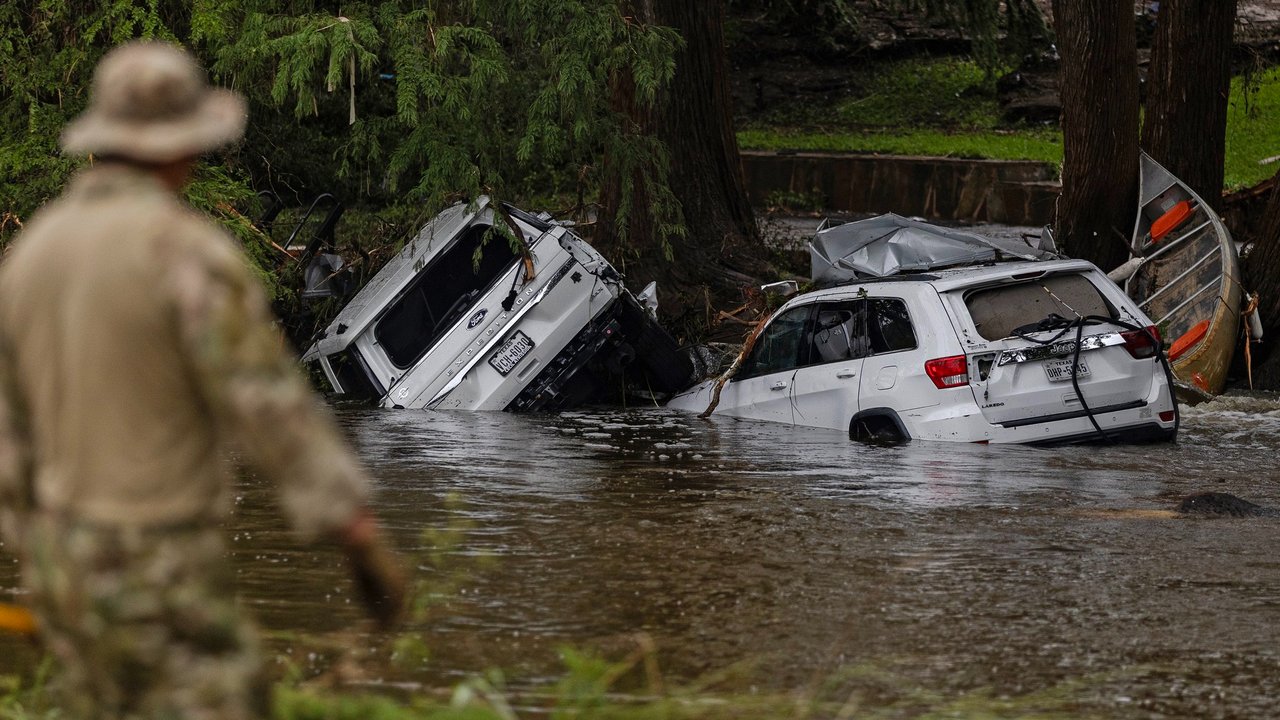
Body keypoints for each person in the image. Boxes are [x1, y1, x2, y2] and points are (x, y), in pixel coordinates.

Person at [0, 41, 406, 719]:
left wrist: (36, 548)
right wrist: (355, 528)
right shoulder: (182, 251)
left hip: (59, 560)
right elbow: (266, 404)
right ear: (181, 146)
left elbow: (8, 433)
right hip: (157, 556)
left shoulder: (29, 256)